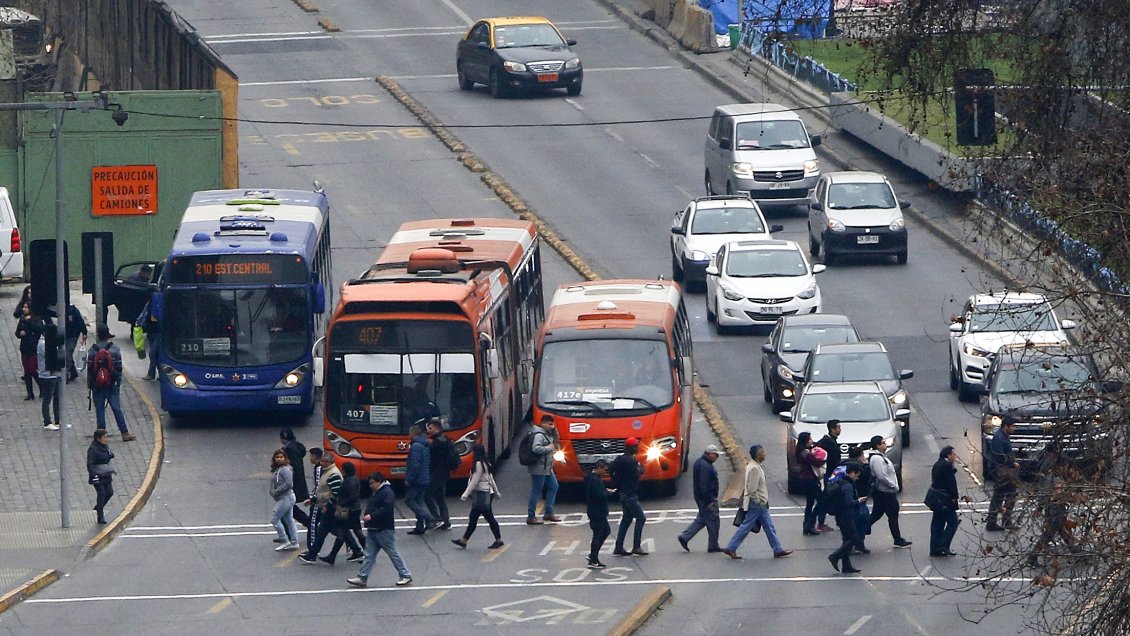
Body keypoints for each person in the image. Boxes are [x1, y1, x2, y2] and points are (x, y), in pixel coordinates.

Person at [723, 445, 792, 560]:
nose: (764, 454)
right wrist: (758, 501)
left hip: (760, 503)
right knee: (747, 526)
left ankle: (777, 549)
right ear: (757, 455)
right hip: (756, 504)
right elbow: (752, 488)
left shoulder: (755, 466)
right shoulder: (754, 468)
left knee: (768, 526)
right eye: (762, 453)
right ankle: (731, 547)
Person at [347, 472, 412, 588]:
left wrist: (371, 516)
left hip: (383, 529)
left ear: (379, 481)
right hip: (374, 528)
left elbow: (386, 509)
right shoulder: (380, 492)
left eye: (372, 483)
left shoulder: (387, 493)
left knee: (392, 552)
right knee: (369, 555)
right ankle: (362, 577)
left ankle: (405, 574)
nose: (371, 485)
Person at [1027, 443, 1079, 568]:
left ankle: (1075, 551)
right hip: (1055, 503)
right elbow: (1052, 488)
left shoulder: (1046, 464)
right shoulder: (1054, 470)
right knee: (1053, 530)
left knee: (1060, 529)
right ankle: (1033, 556)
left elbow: (1043, 488)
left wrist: (1041, 505)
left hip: (1051, 502)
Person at [86, 324, 135, 441]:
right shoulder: (115, 349)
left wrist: (90, 385)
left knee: (99, 409)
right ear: (108, 335)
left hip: (97, 385)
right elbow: (119, 368)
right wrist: (117, 383)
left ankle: (101, 434)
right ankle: (124, 433)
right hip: (111, 384)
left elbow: (89, 369)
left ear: (97, 335)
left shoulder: (92, 350)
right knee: (116, 408)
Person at [452, 444, 503, 550]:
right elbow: (491, 479)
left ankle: (498, 540)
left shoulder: (479, 464)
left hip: (481, 494)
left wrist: (465, 494)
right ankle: (464, 540)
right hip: (486, 493)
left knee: (484, 518)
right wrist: (496, 493)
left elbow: (475, 481)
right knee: (478, 518)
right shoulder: (486, 463)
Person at [298, 451, 343, 564]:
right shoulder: (326, 472)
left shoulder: (333, 474)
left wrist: (326, 506)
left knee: (330, 530)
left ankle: (312, 554)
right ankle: (313, 554)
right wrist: (313, 500)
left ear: (329, 462)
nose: (321, 463)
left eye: (323, 461)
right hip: (326, 506)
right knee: (326, 530)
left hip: (330, 508)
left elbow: (335, 494)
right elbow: (321, 490)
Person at [868, 435, 912, 548]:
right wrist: (893, 486)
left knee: (878, 514)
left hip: (885, 491)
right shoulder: (877, 459)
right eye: (883, 443)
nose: (885, 444)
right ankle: (897, 539)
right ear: (877, 445)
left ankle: (860, 530)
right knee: (891, 514)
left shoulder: (881, 457)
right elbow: (881, 476)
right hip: (884, 492)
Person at [678, 445, 723, 553]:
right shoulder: (705, 466)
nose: (717, 457)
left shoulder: (701, 463)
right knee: (713, 521)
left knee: (702, 519)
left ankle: (685, 537)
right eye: (716, 455)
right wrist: (709, 501)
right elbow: (704, 485)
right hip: (708, 499)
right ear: (710, 454)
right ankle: (713, 545)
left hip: (702, 498)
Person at [323, 461, 365, 564]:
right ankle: (366, 553)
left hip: (348, 511)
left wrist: (341, 503)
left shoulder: (349, 482)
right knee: (356, 532)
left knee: (342, 533)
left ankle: (332, 556)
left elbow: (352, 497)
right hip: (354, 510)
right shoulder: (354, 480)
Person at [612, 437, 648, 557]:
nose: (637, 448)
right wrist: (641, 467)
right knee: (641, 518)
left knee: (626, 519)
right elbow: (638, 473)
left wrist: (618, 483)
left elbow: (611, 469)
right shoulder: (631, 462)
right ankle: (636, 546)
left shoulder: (619, 459)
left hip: (623, 492)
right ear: (629, 447)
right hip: (630, 494)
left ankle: (619, 546)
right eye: (635, 446)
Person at [828, 463, 866, 574]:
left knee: (846, 539)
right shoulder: (848, 486)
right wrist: (859, 501)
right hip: (847, 516)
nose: (857, 478)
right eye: (857, 475)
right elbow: (848, 503)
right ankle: (835, 556)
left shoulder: (841, 482)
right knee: (854, 539)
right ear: (852, 473)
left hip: (840, 515)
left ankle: (846, 565)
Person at [526, 415, 562, 525]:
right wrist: (548, 448)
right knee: (536, 491)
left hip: (547, 467)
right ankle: (531, 516)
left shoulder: (548, 433)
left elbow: (556, 442)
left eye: (552, 424)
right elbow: (535, 448)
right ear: (543, 423)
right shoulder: (539, 435)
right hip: (539, 467)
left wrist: (554, 430)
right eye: (549, 424)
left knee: (554, 486)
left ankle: (549, 512)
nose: (551, 426)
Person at [986, 419, 1020, 531]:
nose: (1014, 429)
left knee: (1003, 496)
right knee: (1004, 496)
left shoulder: (1003, 436)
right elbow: (999, 456)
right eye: (1013, 426)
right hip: (1001, 472)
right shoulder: (999, 438)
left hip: (1003, 471)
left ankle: (996, 521)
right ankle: (1002, 521)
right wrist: (1012, 463)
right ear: (1006, 426)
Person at [929, 445, 960, 557]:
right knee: (953, 522)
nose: (955, 456)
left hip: (937, 499)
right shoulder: (947, 466)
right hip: (945, 499)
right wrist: (954, 497)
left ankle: (934, 547)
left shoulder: (938, 464)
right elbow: (950, 483)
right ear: (949, 455)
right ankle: (943, 545)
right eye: (954, 454)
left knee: (937, 523)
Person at [425, 418, 454, 530]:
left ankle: (437, 518)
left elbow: (435, 456)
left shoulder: (438, 441)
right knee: (440, 497)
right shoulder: (444, 439)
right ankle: (445, 521)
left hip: (437, 473)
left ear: (437, 428)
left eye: (430, 428)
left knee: (426, 494)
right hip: (443, 473)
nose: (428, 430)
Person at [404, 424, 434, 535]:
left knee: (409, 500)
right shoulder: (425, 444)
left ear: (414, 433)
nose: (408, 435)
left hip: (417, 479)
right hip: (425, 477)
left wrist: (409, 478)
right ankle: (419, 526)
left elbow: (415, 465)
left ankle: (428, 517)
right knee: (419, 500)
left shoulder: (416, 446)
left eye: (409, 432)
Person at [814, 420, 843, 532]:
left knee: (828, 499)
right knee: (825, 500)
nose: (840, 429)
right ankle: (818, 522)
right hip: (830, 474)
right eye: (838, 427)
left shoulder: (827, 440)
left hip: (830, 474)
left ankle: (817, 522)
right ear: (832, 429)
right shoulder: (829, 442)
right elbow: (835, 461)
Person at [269, 449, 300, 551]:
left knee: (274, 519)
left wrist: (276, 491)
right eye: (277, 457)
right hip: (285, 497)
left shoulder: (285, 470)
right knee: (289, 520)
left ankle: (284, 540)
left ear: (285, 458)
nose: (279, 459)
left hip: (286, 497)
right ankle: (294, 542)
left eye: (281, 457)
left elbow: (288, 483)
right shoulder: (280, 469)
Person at [795, 431, 825, 535]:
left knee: (810, 502)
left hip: (804, 479)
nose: (812, 441)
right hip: (810, 479)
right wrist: (824, 459)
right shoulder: (806, 453)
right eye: (810, 439)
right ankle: (810, 523)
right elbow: (817, 463)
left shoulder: (801, 451)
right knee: (822, 501)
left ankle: (806, 525)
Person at [280, 429, 310, 531]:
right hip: (296, 483)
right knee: (285, 508)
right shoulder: (296, 447)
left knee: (286, 508)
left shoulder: (289, 450)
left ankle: (308, 523)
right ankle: (285, 533)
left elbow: (293, 468)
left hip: (293, 484)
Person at [87, 429, 115, 524]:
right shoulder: (93, 449)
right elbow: (90, 464)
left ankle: (99, 506)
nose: (106, 439)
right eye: (104, 437)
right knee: (101, 493)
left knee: (109, 492)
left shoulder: (105, 447)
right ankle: (100, 515)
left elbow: (109, 455)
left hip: (106, 473)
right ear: (98, 438)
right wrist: (93, 475)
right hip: (98, 475)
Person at [15, 302, 42, 400]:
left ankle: (42, 387)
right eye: (24, 307)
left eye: (26, 307)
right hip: (24, 347)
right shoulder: (22, 319)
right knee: (26, 371)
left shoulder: (36, 319)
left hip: (33, 347)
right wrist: (19, 333)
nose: (24, 309)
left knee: (32, 369)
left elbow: (39, 329)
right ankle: (30, 392)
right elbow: (17, 332)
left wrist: (28, 322)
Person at [36, 325, 61, 431]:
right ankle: (47, 422)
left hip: (55, 374)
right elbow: (52, 355)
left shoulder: (50, 342)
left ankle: (58, 421)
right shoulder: (42, 344)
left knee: (57, 399)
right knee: (47, 400)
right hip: (46, 376)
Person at [301, 446, 326, 552]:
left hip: (318, 501)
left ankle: (312, 548)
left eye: (311, 455)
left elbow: (318, 486)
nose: (310, 458)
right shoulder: (319, 467)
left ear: (315, 456)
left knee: (312, 523)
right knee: (330, 525)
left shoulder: (319, 469)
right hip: (322, 499)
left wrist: (312, 499)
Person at [64, 303, 87, 383]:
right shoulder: (58, 308)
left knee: (67, 354)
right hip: (64, 335)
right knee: (67, 354)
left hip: (73, 335)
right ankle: (73, 372)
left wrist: (84, 333)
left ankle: (65, 375)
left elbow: (81, 321)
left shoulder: (73, 310)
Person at [139, 301, 160, 381]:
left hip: (157, 332)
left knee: (153, 353)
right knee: (156, 355)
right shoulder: (150, 304)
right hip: (152, 332)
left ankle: (151, 374)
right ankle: (160, 374)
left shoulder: (157, 304)